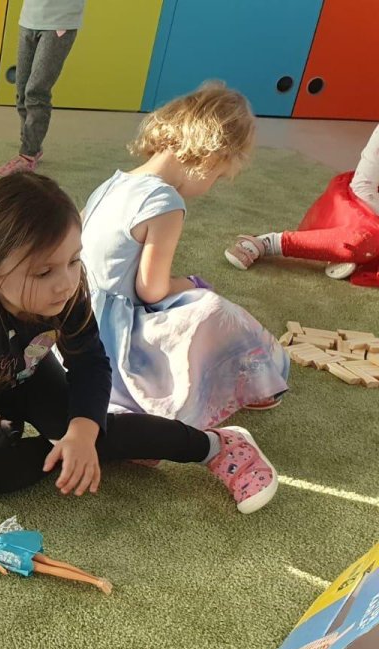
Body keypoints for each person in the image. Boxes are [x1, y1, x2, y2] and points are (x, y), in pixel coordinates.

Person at [0, 173, 279, 515]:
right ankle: (101, 440)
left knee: (90, 429)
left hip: (27, 370)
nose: (66, 282)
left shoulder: (66, 290)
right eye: (44, 272)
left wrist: (82, 431)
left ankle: (215, 445)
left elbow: (90, 362)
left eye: (74, 260)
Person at [81, 82, 289, 428]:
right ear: (212, 156)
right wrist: (191, 284)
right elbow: (152, 290)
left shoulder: (113, 183)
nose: (210, 187)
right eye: (218, 177)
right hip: (114, 340)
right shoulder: (165, 202)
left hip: (78, 319)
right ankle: (259, 380)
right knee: (211, 308)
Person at [225, 124, 379, 287]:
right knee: (362, 240)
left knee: (366, 245)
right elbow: (363, 186)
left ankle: (352, 255)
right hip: (360, 207)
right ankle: (268, 243)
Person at [0, 0, 85, 177]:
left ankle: (28, 154)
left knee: (36, 91)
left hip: (59, 23)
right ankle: (31, 146)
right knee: (22, 90)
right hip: (29, 19)